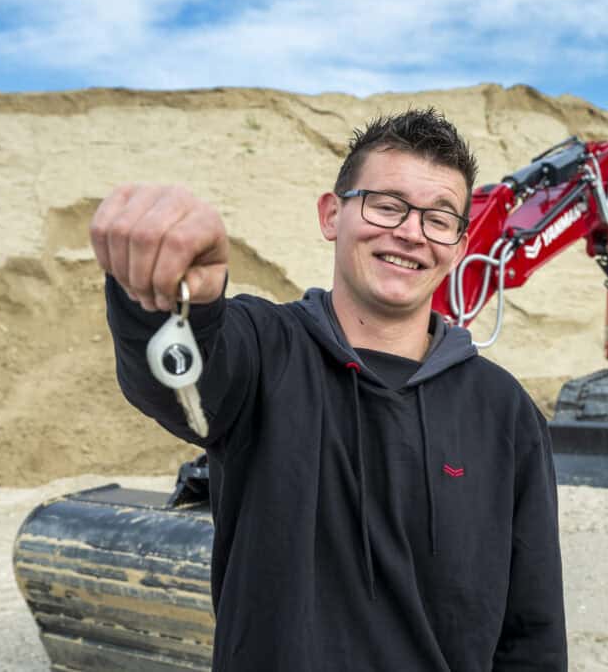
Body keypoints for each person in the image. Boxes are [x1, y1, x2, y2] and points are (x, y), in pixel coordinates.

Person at [90, 108, 567, 671]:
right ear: (331, 214)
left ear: (459, 245)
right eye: (387, 205)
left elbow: (531, 627)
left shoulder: (504, 410)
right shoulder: (264, 350)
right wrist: (164, 303)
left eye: (439, 219)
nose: (411, 232)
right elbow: (179, 378)